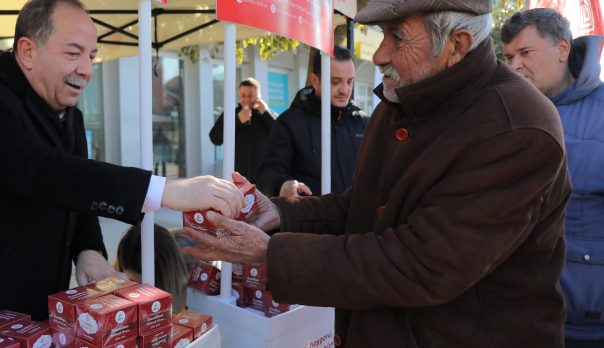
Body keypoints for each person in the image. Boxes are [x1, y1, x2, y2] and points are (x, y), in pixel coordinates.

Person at [183, 0, 573, 346]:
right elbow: (369, 206)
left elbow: (423, 262)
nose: (380, 55)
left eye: (397, 37)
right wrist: (283, 214)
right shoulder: (404, 99)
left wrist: (272, 252)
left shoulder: (517, 127)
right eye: (383, 34)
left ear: (457, 46)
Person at [0, 0, 244, 321]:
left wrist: (89, 251)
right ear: (28, 51)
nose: (86, 70)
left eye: (91, 56)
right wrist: (165, 190)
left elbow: (75, 197)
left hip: (37, 310)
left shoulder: (69, 114)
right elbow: (41, 172)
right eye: (73, 54)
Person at [501, 9, 604, 347]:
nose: (515, 65)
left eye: (525, 53)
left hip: (583, 321)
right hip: (511, 314)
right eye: (509, 56)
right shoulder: (501, 113)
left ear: (562, 49)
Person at [257, 45, 368, 197]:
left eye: (349, 82)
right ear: (315, 81)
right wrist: (282, 185)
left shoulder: (363, 122)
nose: (345, 90)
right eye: (336, 81)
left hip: (358, 219)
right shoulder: (289, 123)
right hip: (308, 218)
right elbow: (267, 174)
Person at [209, 77, 275, 184]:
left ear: (259, 96)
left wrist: (266, 113)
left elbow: (280, 136)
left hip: (264, 178)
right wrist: (237, 120)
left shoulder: (267, 114)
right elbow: (215, 138)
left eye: (250, 96)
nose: (246, 100)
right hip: (238, 177)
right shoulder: (231, 113)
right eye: (243, 96)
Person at [116, 224, 188, 314]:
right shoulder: (123, 264)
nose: (138, 293)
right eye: (131, 283)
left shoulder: (192, 296)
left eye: (143, 286)